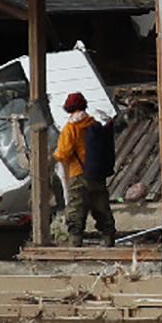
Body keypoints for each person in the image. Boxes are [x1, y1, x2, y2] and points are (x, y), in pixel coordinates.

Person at [52, 91, 118, 245]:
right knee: (101, 206)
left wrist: (53, 158)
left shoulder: (70, 128)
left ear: (68, 109)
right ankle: (108, 238)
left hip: (78, 174)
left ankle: (76, 241)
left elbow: (63, 152)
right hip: (96, 173)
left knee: (76, 208)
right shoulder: (93, 124)